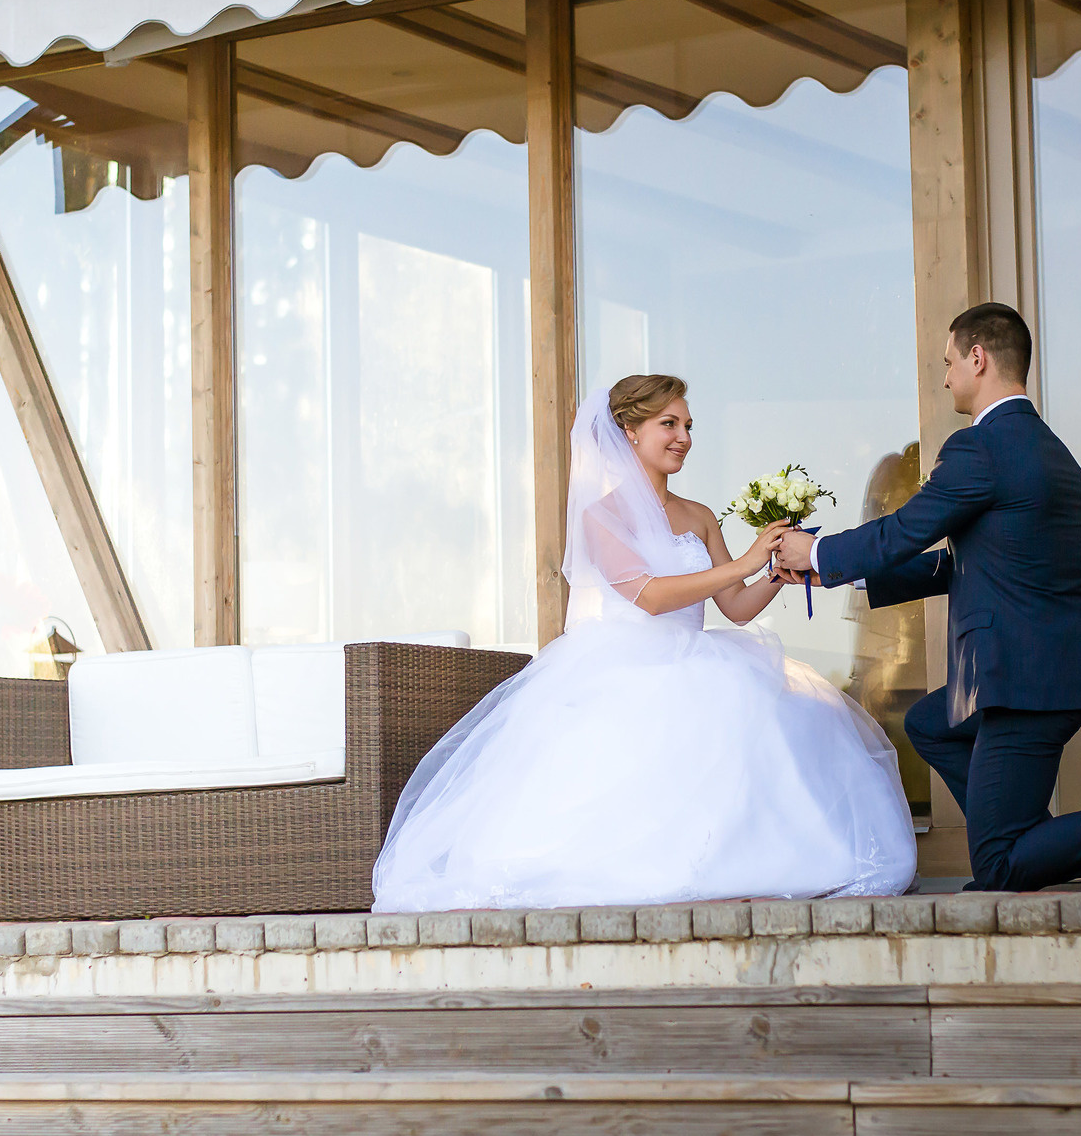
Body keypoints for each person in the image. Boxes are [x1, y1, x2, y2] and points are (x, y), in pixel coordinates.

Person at [370, 374, 917, 912]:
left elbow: (735, 607)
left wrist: (775, 569)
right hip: (624, 669)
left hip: (700, 658)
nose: (684, 437)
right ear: (629, 431)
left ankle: (743, 870)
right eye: (669, 424)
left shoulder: (699, 516)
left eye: (688, 425)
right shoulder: (601, 516)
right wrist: (746, 561)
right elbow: (650, 596)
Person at [773, 302, 1081, 891]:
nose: (946, 379)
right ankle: (1026, 842)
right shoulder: (1053, 453)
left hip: (1022, 681)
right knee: (931, 724)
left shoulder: (982, 448)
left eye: (948, 363)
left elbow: (908, 528)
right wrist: (850, 578)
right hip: (1056, 669)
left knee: (997, 866)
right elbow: (964, 563)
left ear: (978, 358)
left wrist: (815, 553)